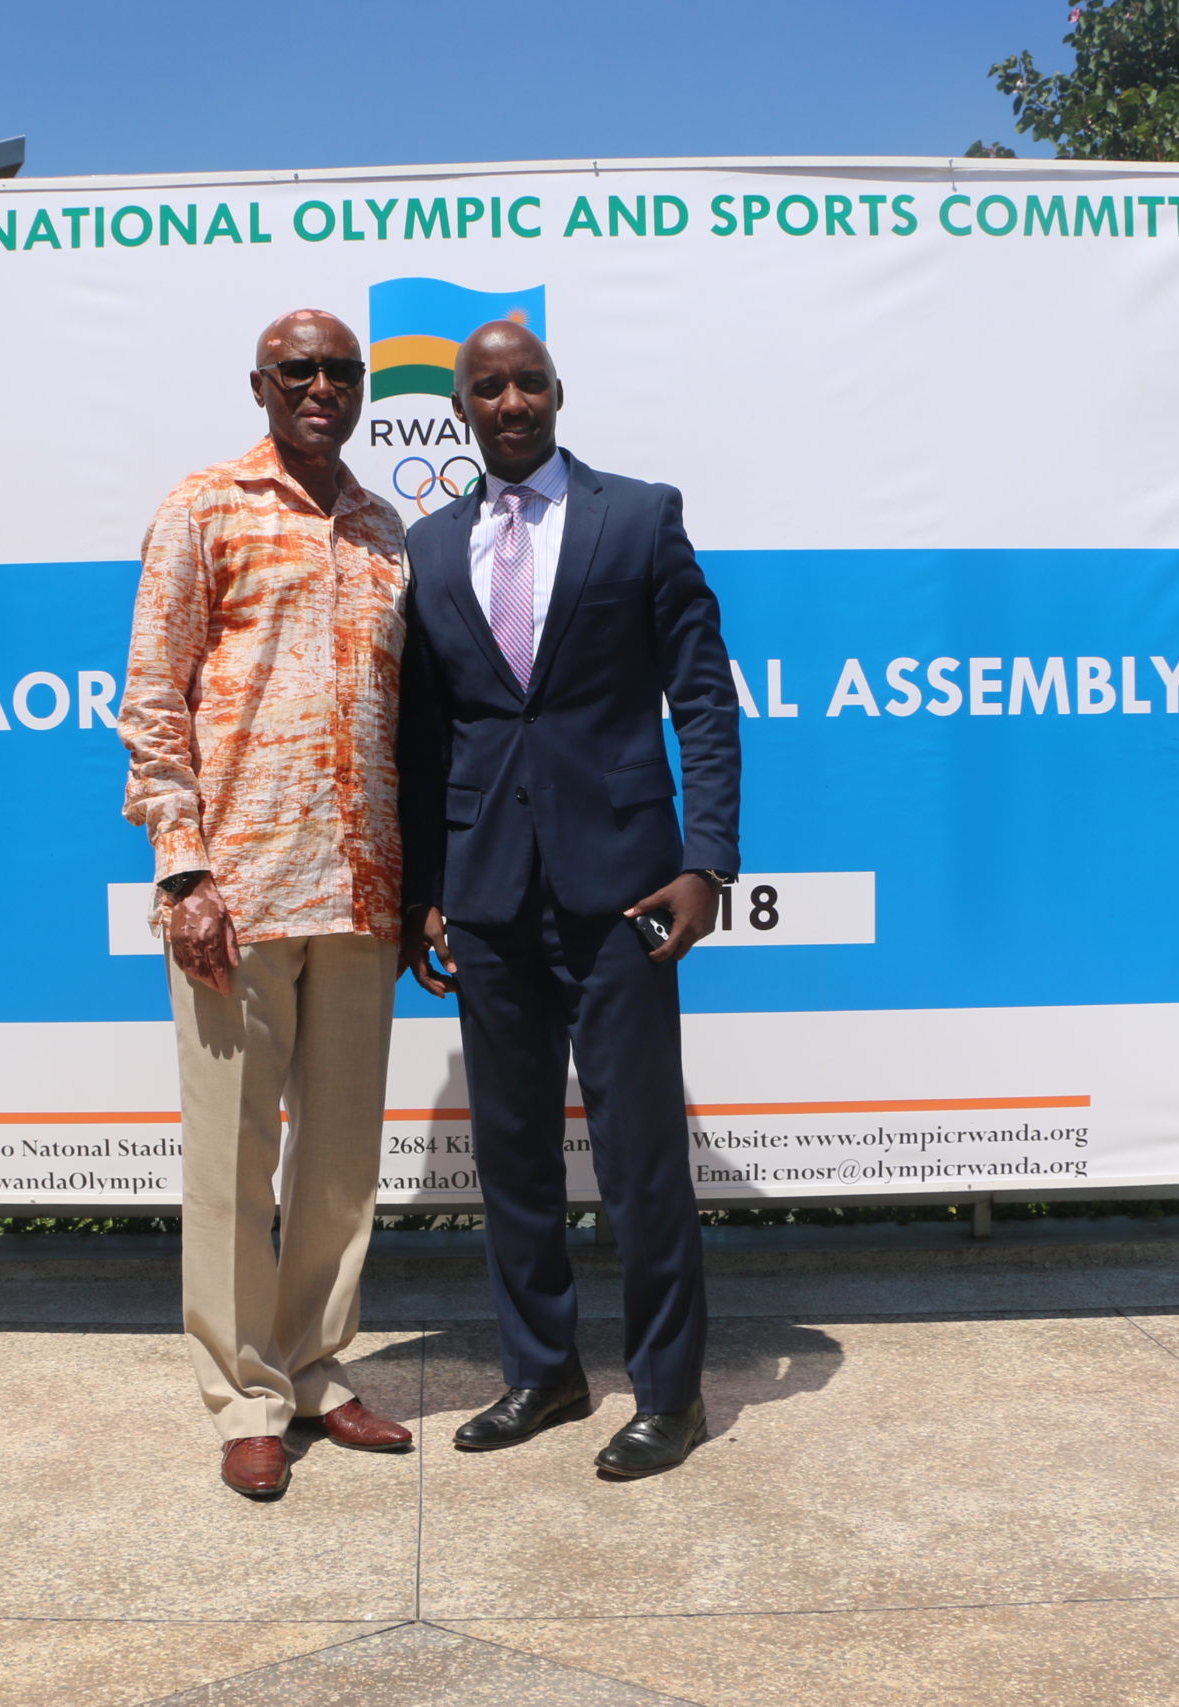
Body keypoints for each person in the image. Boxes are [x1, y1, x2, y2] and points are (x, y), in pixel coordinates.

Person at [397, 320, 741, 1478]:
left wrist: (707, 860)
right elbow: (426, 738)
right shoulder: (428, 547)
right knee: (512, 1157)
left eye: (528, 383)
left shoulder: (636, 517)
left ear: (556, 392)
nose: (511, 402)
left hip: (623, 887)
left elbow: (703, 698)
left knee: (641, 1157)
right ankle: (542, 1372)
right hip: (487, 895)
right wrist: (426, 892)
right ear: (460, 408)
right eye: (488, 388)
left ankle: (669, 1394)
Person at [119, 309, 415, 1499]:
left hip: (363, 888)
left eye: (340, 371)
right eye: (299, 370)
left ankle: (315, 1371)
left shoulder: (385, 529)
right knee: (232, 1163)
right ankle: (244, 1396)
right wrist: (183, 871)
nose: (321, 386)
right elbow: (153, 698)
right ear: (260, 385)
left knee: (340, 1163)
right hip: (234, 894)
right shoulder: (203, 507)